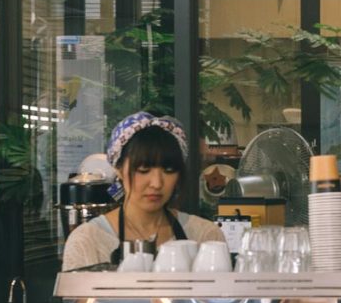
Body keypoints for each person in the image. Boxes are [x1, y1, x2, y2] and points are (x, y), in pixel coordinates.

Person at [60, 113, 221, 271]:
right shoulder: (87, 242)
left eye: (169, 170)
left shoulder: (205, 237)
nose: (156, 183)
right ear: (119, 169)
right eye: (144, 170)